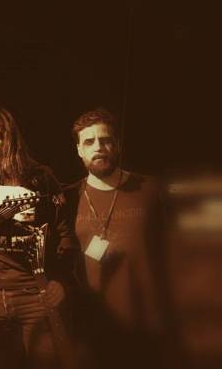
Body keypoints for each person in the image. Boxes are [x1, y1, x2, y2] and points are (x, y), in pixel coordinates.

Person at [0, 106, 76, 369]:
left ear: (9, 136)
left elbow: (65, 234)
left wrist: (62, 281)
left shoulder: (40, 178)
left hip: (36, 294)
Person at [65, 108, 174, 369]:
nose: (98, 147)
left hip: (152, 326)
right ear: (79, 150)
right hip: (94, 329)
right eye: (89, 142)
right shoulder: (67, 199)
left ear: (117, 145)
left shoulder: (152, 190)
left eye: (105, 140)